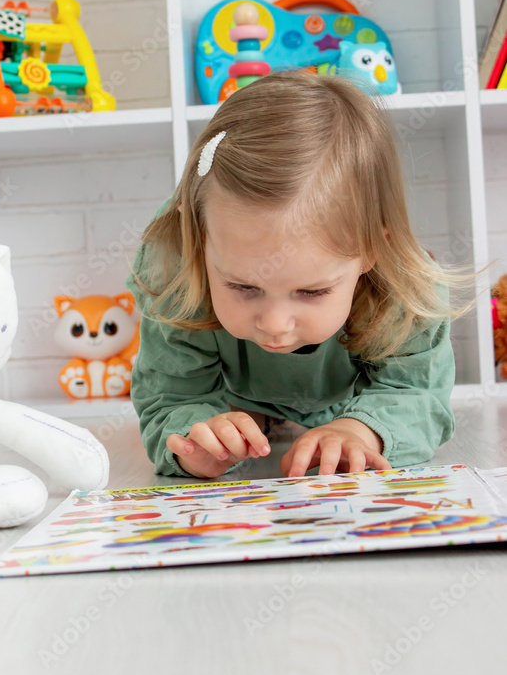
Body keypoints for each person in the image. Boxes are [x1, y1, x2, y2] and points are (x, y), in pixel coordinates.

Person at [125, 71, 479, 480]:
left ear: (371, 251)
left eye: (311, 292)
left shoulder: (403, 289)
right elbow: (170, 395)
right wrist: (194, 440)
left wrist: (359, 431)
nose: (275, 325)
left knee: (353, 419)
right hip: (234, 395)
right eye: (242, 286)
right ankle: (251, 415)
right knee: (236, 421)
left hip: (349, 395)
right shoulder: (175, 272)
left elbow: (417, 394)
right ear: (199, 243)